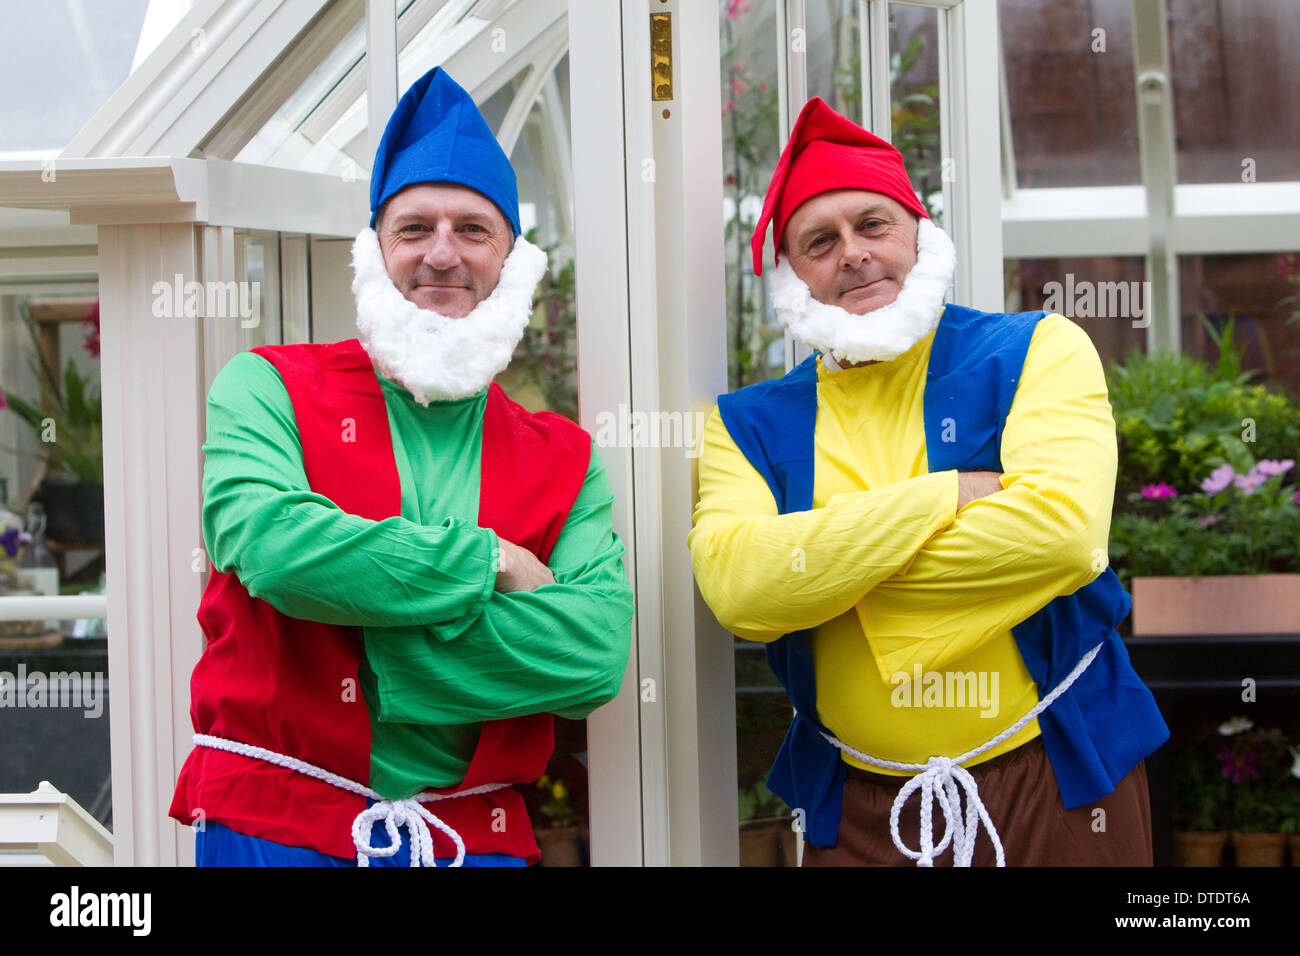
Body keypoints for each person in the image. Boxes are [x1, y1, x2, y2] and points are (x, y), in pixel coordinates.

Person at [169, 67, 634, 867]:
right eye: (414, 228)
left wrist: (369, 649)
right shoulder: (266, 385)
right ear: (376, 250)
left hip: (471, 838)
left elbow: (592, 654)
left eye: (473, 229)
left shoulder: (565, 456)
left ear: (511, 261)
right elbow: (278, 550)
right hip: (276, 827)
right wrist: (489, 562)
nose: (442, 255)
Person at [687, 97, 1168, 866]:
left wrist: (829, 579)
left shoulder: (1038, 348)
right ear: (791, 274)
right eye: (820, 240)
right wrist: (944, 496)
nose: (852, 254)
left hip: (1063, 780)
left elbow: (1066, 538)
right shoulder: (745, 424)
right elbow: (742, 590)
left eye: (873, 224)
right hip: (858, 805)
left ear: (918, 233)